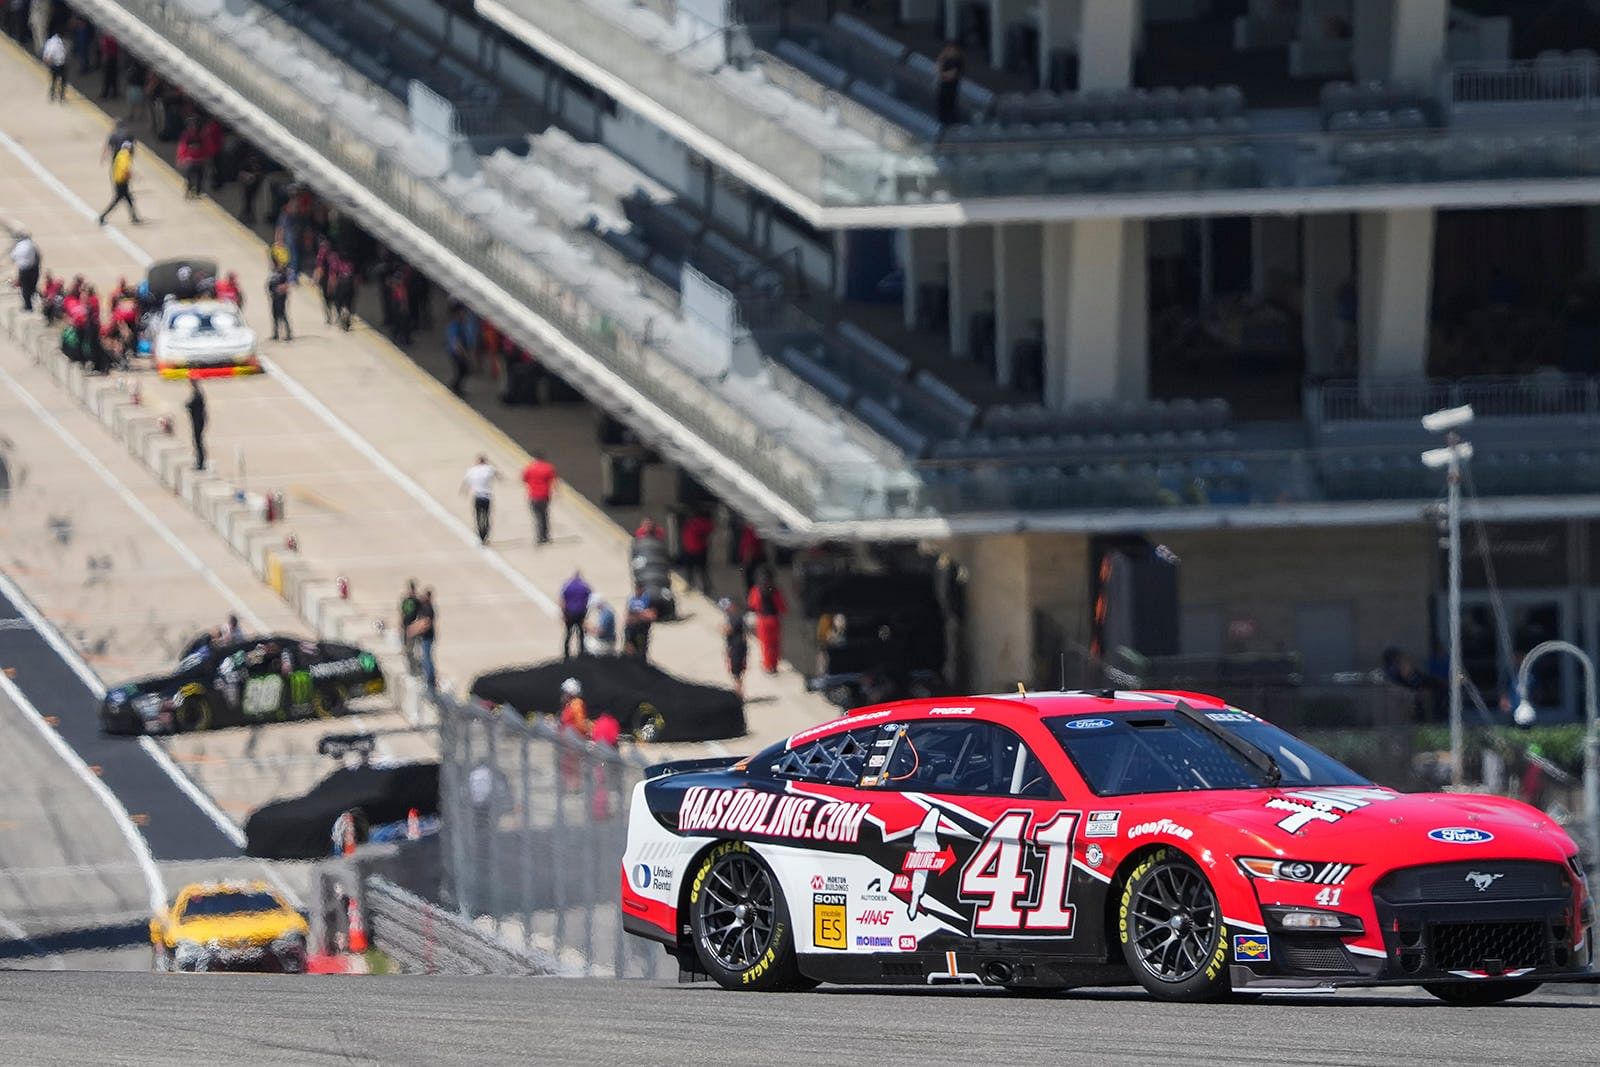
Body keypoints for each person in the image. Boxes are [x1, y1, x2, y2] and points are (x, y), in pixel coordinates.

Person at [747, 568, 786, 675]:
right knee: (775, 643)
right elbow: (782, 606)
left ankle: (768, 666)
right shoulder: (775, 590)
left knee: (766, 644)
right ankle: (774, 665)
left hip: (763, 620)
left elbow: (752, 604)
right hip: (774, 620)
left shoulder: (756, 590)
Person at [459, 454, 499, 545]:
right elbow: (498, 475)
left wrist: (464, 491)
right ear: (485, 461)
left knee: (478, 517)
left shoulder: (471, 470)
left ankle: (480, 535)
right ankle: (485, 535)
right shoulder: (489, 469)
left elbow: (466, 482)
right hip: (487, 497)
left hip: (477, 497)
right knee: (486, 517)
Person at [98, 140, 140, 225]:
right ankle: (102, 216)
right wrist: (131, 175)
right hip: (122, 182)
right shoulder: (125, 155)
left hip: (119, 180)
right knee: (118, 200)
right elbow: (124, 169)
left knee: (129, 199)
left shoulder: (120, 154)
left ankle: (134, 217)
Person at [521, 452, 557, 545]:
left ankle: (539, 537)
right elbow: (554, 480)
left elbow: (524, 479)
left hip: (533, 495)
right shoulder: (549, 467)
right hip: (544, 495)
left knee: (537, 517)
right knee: (544, 516)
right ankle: (545, 535)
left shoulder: (530, 468)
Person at [409, 588, 437, 692]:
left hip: (427, 637)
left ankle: (429, 681)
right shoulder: (425, 607)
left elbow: (426, 623)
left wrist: (413, 630)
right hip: (424, 637)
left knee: (426, 658)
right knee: (424, 657)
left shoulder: (428, 608)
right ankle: (429, 679)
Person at [679, 511, 714, 595]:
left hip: (695, 550)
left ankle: (702, 587)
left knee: (695, 570)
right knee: (700, 570)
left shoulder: (693, 523)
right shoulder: (695, 523)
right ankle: (704, 587)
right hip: (695, 550)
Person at [559, 570, 592, 659]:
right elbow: (589, 600)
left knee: (568, 634)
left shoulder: (568, 585)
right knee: (581, 635)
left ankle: (566, 654)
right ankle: (581, 653)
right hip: (580, 614)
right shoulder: (584, 586)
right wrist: (586, 614)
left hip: (569, 613)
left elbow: (562, 600)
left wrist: (563, 614)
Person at [721, 597, 749, 699]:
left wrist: (722, 628)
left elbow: (727, 630)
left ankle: (739, 694)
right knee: (736, 674)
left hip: (737, 649)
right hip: (736, 648)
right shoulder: (733, 617)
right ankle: (739, 693)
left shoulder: (735, 617)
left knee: (736, 673)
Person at [623, 581, 656, 660]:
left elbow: (651, 615)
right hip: (630, 629)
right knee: (628, 650)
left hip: (641, 630)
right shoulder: (631, 599)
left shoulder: (647, 599)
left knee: (640, 651)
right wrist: (639, 615)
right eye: (635, 588)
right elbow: (627, 616)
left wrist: (638, 615)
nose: (636, 590)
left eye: (638, 588)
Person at [935, 40, 964, 129]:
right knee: (941, 104)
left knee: (949, 105)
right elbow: (938, 67)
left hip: (951, 87)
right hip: (944, 85)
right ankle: (943, 122)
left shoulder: (957, 61)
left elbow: (952, 75)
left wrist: (942, 74)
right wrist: (942, 56)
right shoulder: (947, 60)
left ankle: (950, 124)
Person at [10, 230, 39, 313]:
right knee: (31, 285)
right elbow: (36, 256)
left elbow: (13, 257)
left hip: (24, 270)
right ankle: (33, 295)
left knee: (25, 289)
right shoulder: (31, 244)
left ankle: (28, 307)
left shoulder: (18, 246)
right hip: (33, 268)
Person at [446, 304, 470, 395]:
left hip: (460, 352)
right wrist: (463, 354)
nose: (464, 315)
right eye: (462, 313)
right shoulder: (455, 326)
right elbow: (456, 342)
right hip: (456, 353)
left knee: (463, 371)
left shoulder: (461, 324)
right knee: (462, 370)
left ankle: (456, 386)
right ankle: (456, 387)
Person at [177, 119, 204, 199]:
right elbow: (182, 147)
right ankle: (189, 190)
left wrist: (204, 157)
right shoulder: (186, 136)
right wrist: (182, 158)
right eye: (191, 126)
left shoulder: (201, 136)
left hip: (199, 160)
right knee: (190, 176)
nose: (192, 128)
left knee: (200, 176)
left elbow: (205, 147)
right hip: (190, 160)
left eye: (194, 126)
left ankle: (197, 191)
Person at [266, 260, 292, 340]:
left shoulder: (283, 275)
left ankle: (288, 334)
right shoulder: (273, 274)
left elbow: (287, 285)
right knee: (275, 315)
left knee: (282, 315)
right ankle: (276, 334)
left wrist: (281, 289)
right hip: (274, 297)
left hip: (280, 298)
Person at [398, 580, 421, 671]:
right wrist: (399, 623)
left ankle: (414, 666)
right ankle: (409, 666)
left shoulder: (417, 601)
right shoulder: (405, 599)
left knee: (414, 648)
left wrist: (416, 625)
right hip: (405, 625)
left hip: (413, 626)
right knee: (407, 647)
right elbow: (402, 612)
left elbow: (420, 614)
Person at [185, 379, 207, 470]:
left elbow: (191, 404)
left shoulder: (197, 394)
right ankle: (199, 461)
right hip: (197, 420)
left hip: (198, 421)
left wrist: (187, 404)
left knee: (198, 441)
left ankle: (200, 462)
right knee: (197, 441)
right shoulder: (197, 393)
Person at [42, 30, 67, 102]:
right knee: (62, 80)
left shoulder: (49, 42)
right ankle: (61, 96)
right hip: (59, 64)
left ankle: (53, 95)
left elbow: (46, 54)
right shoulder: (56, 43)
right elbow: (50, 53)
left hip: (55, 64)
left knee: (54, 80)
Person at [98, 32, 119, 100]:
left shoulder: (108, 38)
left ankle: (106, 93)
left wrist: (104, 56)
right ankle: (114, 92)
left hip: (109, 58)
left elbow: (105, 48)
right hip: (112, 58)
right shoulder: (112, 38)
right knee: (113, 76)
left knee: (107, 77)